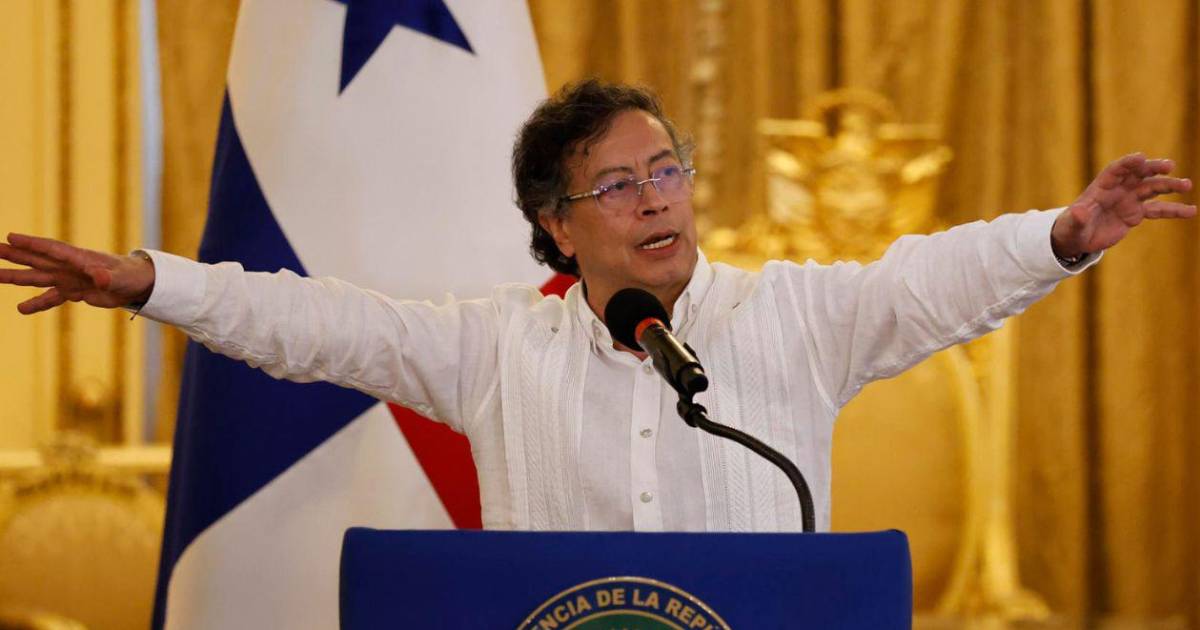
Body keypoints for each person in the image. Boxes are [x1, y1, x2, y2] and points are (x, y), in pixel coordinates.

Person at [0, 80, 1194, 531]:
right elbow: (322, 327)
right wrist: (152, 281)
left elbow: (928, 283)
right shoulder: (491, 351)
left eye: (666, 169)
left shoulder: (795, 319)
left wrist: (1060, 235)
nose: (655, 197)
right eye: (617, 185)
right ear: (558, 226)